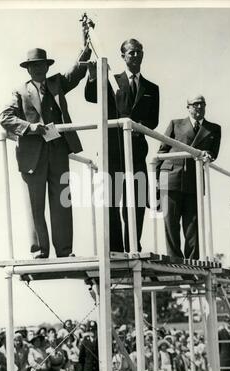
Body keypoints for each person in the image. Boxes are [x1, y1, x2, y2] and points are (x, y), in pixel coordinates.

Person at [0, 27, 91, 259]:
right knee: (35, 204)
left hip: (59, 150)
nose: (38, 69)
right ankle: (40, 251)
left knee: (62, 202)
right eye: (34, 65)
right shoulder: (19, 91)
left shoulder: (57, 83)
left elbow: (77, 72)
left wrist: (86, 46)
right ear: (28, 69)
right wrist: (30, 128)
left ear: (48, 67)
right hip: (32, 155)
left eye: (42, 65)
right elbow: (5, 117)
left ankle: (65, 251)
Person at [85, 39, 159, 252]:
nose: (135, 56)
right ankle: (115, 250)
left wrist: (137, 126)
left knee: (136, 202)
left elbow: (152, 120)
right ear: (123, 56)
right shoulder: (111, 80)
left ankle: (133, 246)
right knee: (112, 201)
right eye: (131, 53)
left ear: (142, 55)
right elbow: (92, 97)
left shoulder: (152, 88)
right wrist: (93, 76)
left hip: (136, 153)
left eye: (138, 52)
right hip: (113, 151)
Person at [157, 95, 221, 259]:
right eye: (195, 104)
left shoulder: (214, 128)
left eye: (202, 104)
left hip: (194, 182)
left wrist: (209, 155)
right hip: (171, 178)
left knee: (193, 226)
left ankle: (192, 263)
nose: (199, 107)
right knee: (171, 224)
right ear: (188, 107)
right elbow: (162, 152)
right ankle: (175, 261)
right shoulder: (175, 124)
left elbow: (214, 153)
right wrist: (156, 182)